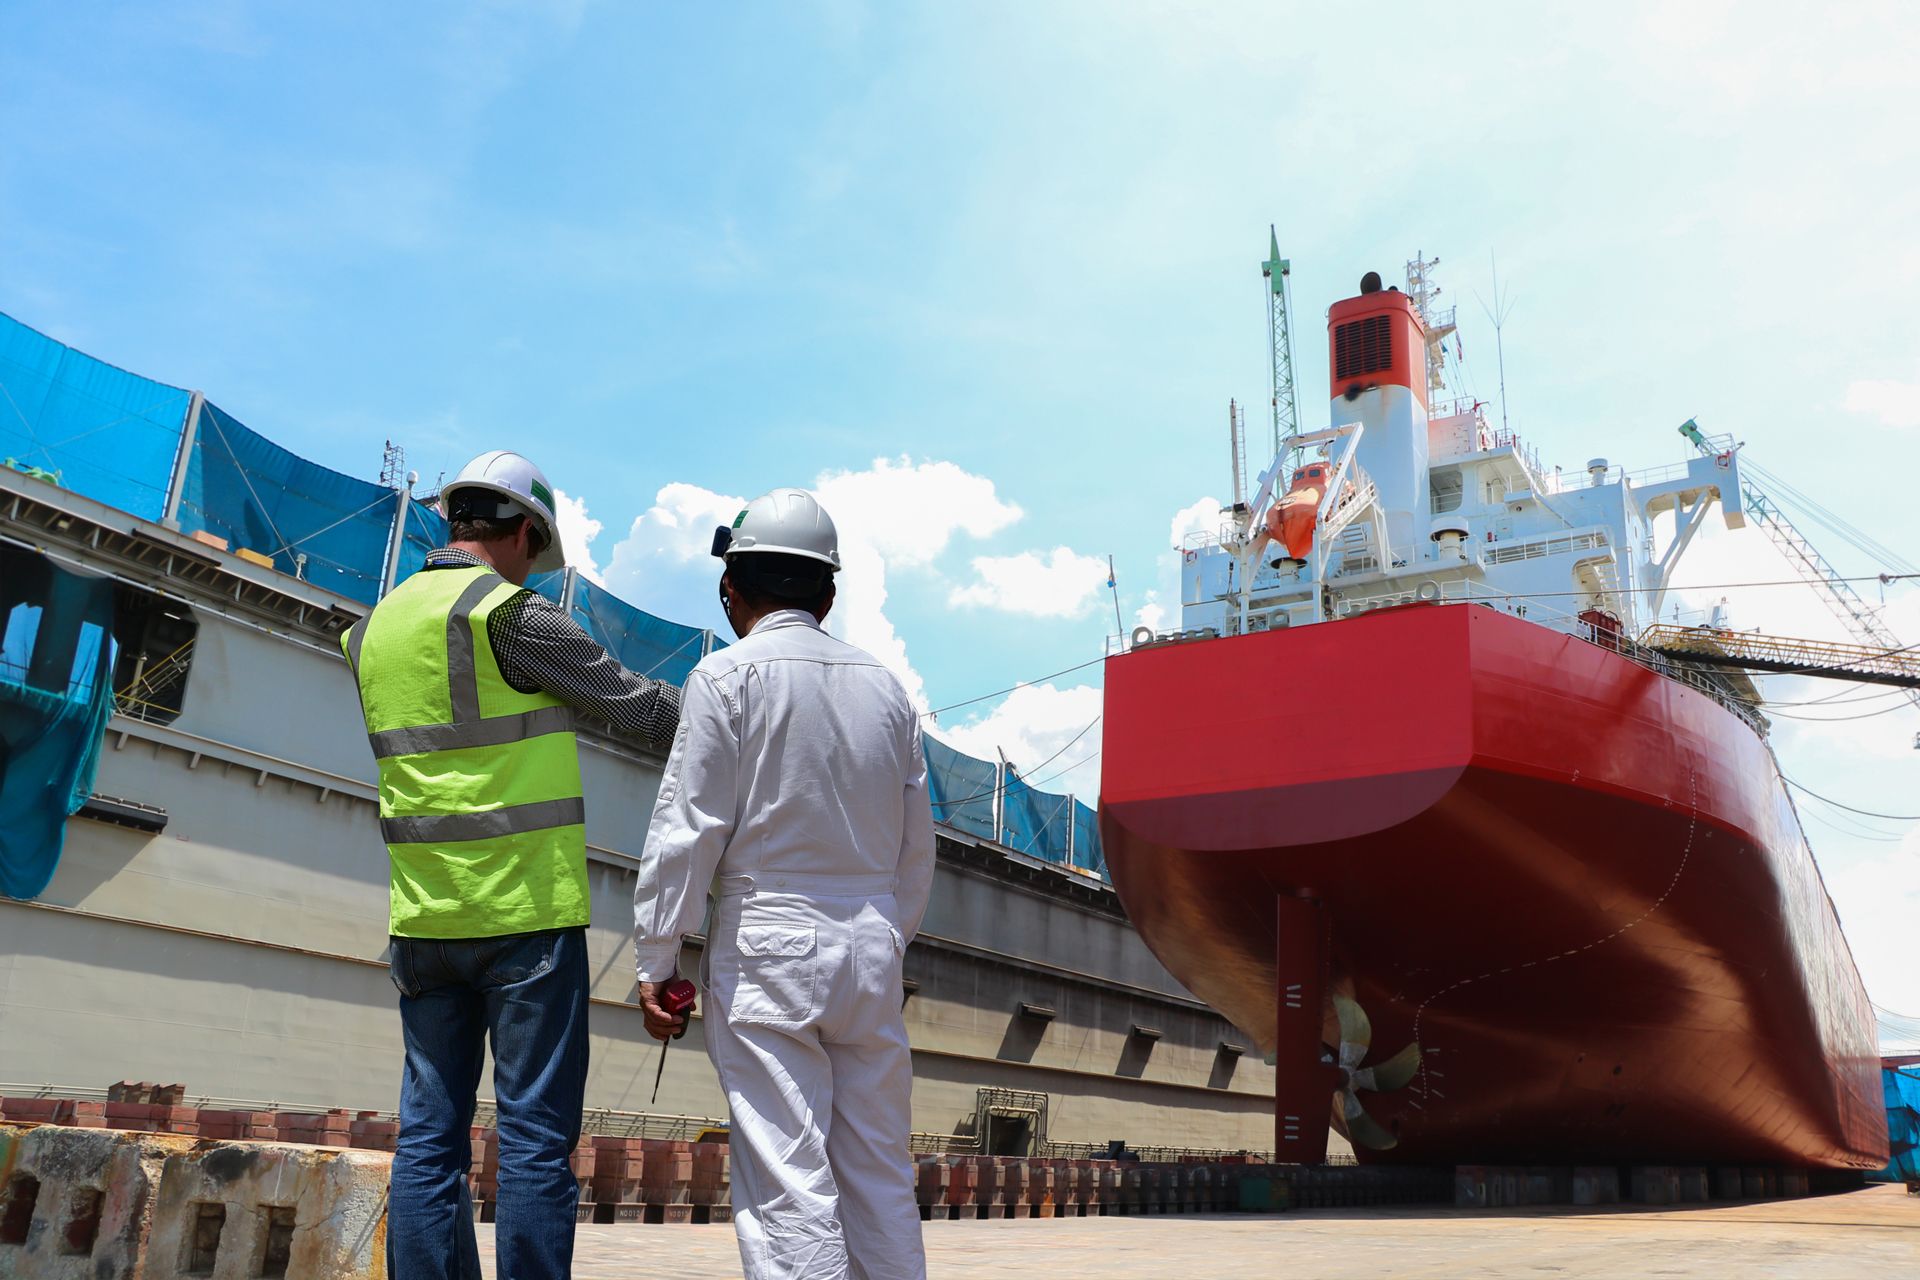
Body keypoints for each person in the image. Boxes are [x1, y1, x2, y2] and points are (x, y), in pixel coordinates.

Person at [341, 450, 681, 1280]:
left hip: (423, 920)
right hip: (525, 916)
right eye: (536, 550)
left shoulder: (369, 632)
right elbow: (642, 709)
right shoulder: (510, 618)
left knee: (429, 1140)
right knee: (532, 1138)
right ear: (525, 531)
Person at [633, 488, 935, 1280]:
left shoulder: (727, 677)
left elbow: (688, 830)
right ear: (828, 594)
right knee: (878, 1175)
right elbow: (916, 851)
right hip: (871, 945)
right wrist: (884, 935)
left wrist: (657, 963)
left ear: (731, 589)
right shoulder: (888, 691)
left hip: (769, 943)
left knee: (787, 1182)